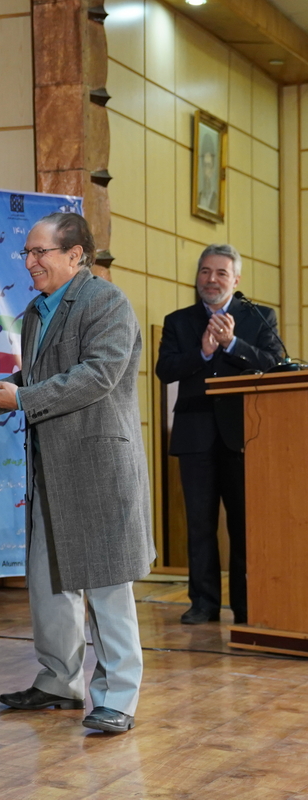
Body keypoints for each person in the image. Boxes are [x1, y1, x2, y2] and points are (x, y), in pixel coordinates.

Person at [0, 212, 153, 735]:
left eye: (39, 252)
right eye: (26, 252)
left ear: (75, 255)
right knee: (49, 580)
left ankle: (118, 697)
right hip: (50, 465)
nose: (28, 262)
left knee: (106, 582)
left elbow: (97, 374)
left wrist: (22, 397)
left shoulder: (107, 302)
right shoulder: (34, 312)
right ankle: (58, 680)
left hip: (98, 465)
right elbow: (44, 375)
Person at [155, 244, 280, 626]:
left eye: (221, 273)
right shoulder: (179, 321)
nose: (211, 279)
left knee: (244, 525)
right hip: (194, 436)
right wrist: (204, 352)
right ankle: (204, 604)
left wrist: (233, 345)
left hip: (245, 436)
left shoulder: (259, 317)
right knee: (199, 525)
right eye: (205, 271)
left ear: (236, 280)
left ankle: (246, 605)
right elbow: (165, 370)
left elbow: (275, 364)